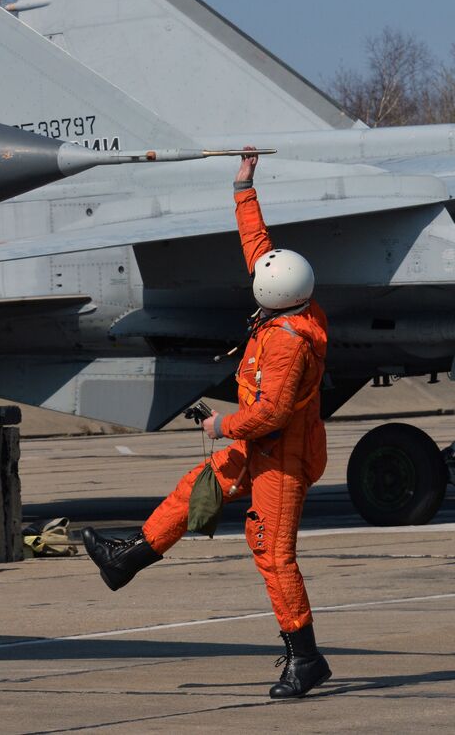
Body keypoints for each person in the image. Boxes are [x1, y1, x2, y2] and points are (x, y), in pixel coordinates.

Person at [82, 148, 331, 699]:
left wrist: (222, 426)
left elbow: (272, 413)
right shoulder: (294, 301)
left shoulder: (289, 342)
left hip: (281, 456)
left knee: (273, 551)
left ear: (273, 295)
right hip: (264, 446)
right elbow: (259, 248)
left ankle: (305, 657)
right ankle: (128, 560)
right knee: (198, 489)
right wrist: (244, 187)